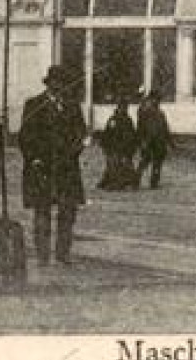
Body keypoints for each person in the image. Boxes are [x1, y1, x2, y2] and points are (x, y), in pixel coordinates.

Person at [18, 65, 88, 264]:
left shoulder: (73, 106)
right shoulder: (34, 104)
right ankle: (42, 255)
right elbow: (25, 136)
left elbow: (81, 132)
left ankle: (63, 253)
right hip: (42, 166)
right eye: (56, 83)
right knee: (42, 210)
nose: (60, 87)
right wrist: (34, 158)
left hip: (67, 167)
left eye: (63, 84)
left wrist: (75, 150)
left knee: (68, 211)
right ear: (49, 84)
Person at [96, 101, 138, 190]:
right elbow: (108, 133)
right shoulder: (113, 119)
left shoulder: (127, 120)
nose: (124, 110)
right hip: (114, 146)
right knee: (114, 165)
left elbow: (131, 134)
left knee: (122, 165)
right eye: (122, 108)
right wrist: (105, 145)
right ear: (118, 108)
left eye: (125, 108)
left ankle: (123, 183)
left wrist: (132, 146)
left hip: (124, 147)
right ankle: (113, 183)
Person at [135, 89, 172, 189]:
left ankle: (154, 182)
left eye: (158, 100)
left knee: (158, 161)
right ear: (151, 99)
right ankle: (135, 179)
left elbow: (165, 127)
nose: (157, 101)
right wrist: (141, 141)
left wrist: (169, 141)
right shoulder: (145, 111)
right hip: (148, 140)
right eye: (156, 99)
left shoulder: (160, 113)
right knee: (145, 160)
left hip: (159, 141)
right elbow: (140, 127)